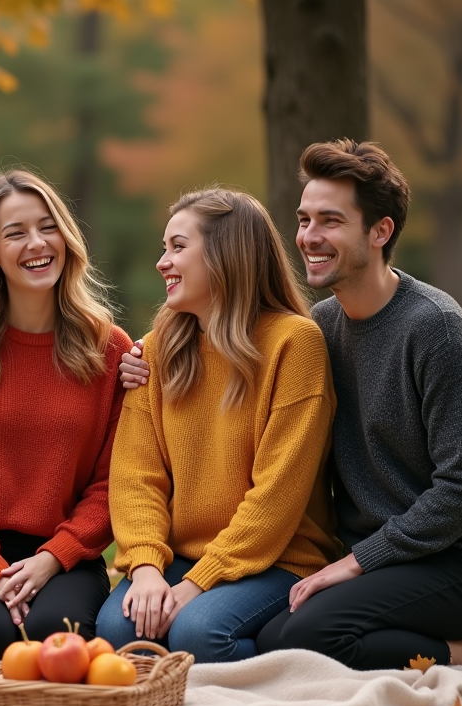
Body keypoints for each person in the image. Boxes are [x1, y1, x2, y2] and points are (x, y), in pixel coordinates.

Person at [249, 139, 462, 670]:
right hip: (378, 558)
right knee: (270, 636)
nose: (308, 237)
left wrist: (357, 562)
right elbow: (245, 373)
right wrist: (150, 358)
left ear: (380, 231)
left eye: (330, 221)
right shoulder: (322, 326)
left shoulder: (435, 329)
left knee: (306, 637)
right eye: (304, 219)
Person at [96, 187, 340, 663]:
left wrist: (197, 584)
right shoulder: (158, 348)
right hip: (179, 556)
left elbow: (277, 497)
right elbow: (135, 477)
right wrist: (146, 567)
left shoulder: (294, 344)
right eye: (164, 248)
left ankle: (286, 665)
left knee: (198, 632)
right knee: (115, 630)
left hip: (278, 557)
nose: (163, 262)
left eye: (178, 247)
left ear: (228, 254)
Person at [0, 169, 131, 660]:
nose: (37, 243)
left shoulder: (109, 349)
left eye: (47, 226)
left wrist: (54, 559)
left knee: (58, 633)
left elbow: (112, 482)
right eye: (15, 233)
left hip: (66, 554)